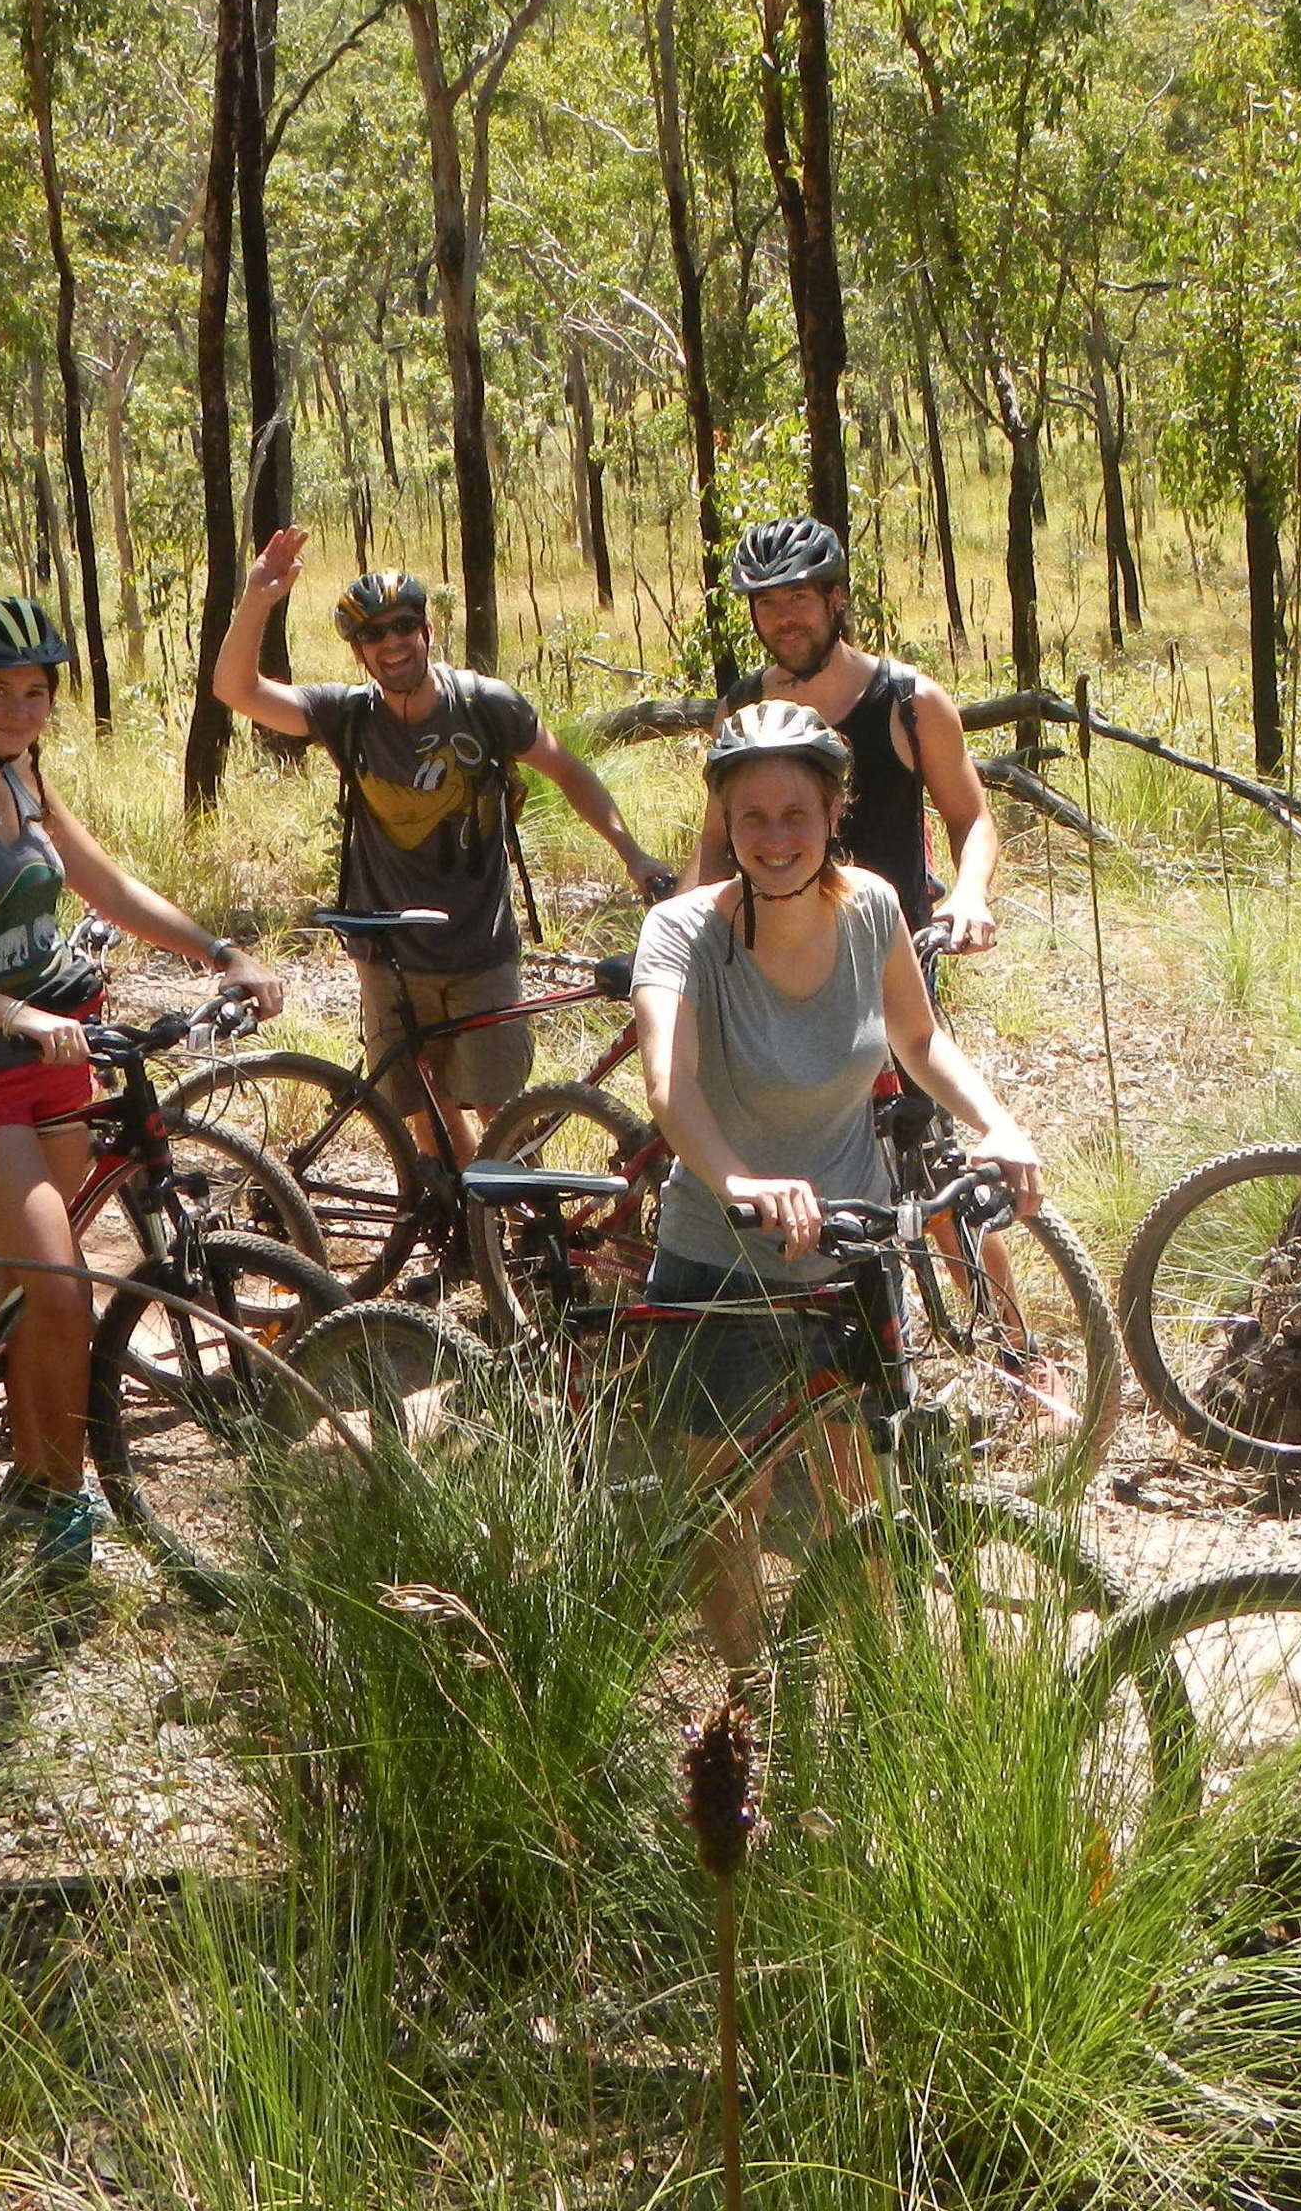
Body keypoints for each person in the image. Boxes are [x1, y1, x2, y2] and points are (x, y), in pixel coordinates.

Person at [0, 595, 285, 1578]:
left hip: (58, 1063)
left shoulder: (25, 778)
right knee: (61, 1293)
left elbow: (107, 888)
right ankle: (51, 1500)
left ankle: (30, 1465)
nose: (19, 708)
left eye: (36, 692)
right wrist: (19, 1019)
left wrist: (220, 951)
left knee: (26, 1289)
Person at [634, 702, 1049, 1668]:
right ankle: (752, 1697)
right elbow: (669, 1084)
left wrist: (998, 1123)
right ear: (725, 827)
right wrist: (743, 1180)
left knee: (861, 1490)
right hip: (722, 1251)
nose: (775, 839)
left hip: (853, 1246)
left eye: (796, 815)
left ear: (833, 814)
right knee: (721, 1504)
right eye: (752, 819)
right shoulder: (682, 931)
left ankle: (877, 1687)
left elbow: (920, 1037)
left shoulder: (869, 907)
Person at [211, 527, 681, 1145]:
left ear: (426, 631)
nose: (392, 643)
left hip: (477, 950)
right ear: (359, 652)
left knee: (501, 1114)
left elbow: (568, 769)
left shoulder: (486, 706)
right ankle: (460, 1229)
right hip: (388, 957)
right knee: (423, 1112)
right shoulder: (346, 716)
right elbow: (235, 690)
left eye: (403, 626)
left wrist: (632, 853)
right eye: (373, 635)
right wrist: (256, 599)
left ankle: (513, 1232)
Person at [692, 515, 998, 952]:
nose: (785, 619)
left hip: (894, 958)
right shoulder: (740, 710)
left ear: (834, 599)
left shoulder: (911, 702)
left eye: (798, 597)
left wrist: (970, 893)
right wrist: (681, 935)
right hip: (774, 958)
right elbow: (715, 840)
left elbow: (971, 818)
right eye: (767, 604)